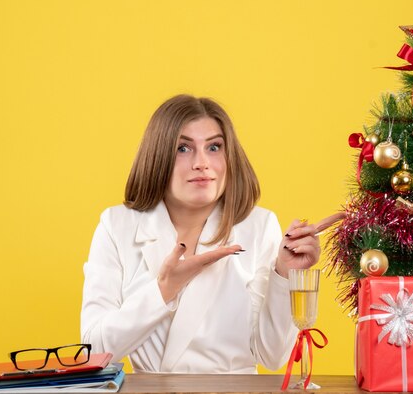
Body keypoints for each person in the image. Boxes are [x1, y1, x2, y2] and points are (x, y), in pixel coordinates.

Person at [80, 94, 324, 374]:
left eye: (214, 147)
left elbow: (272, 356)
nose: (201, 163)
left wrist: (284, 275)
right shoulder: (116, 225)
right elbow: (94, 351)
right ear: (158, 156)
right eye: (183, 148)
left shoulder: (259, 225)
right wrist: (164, 290)